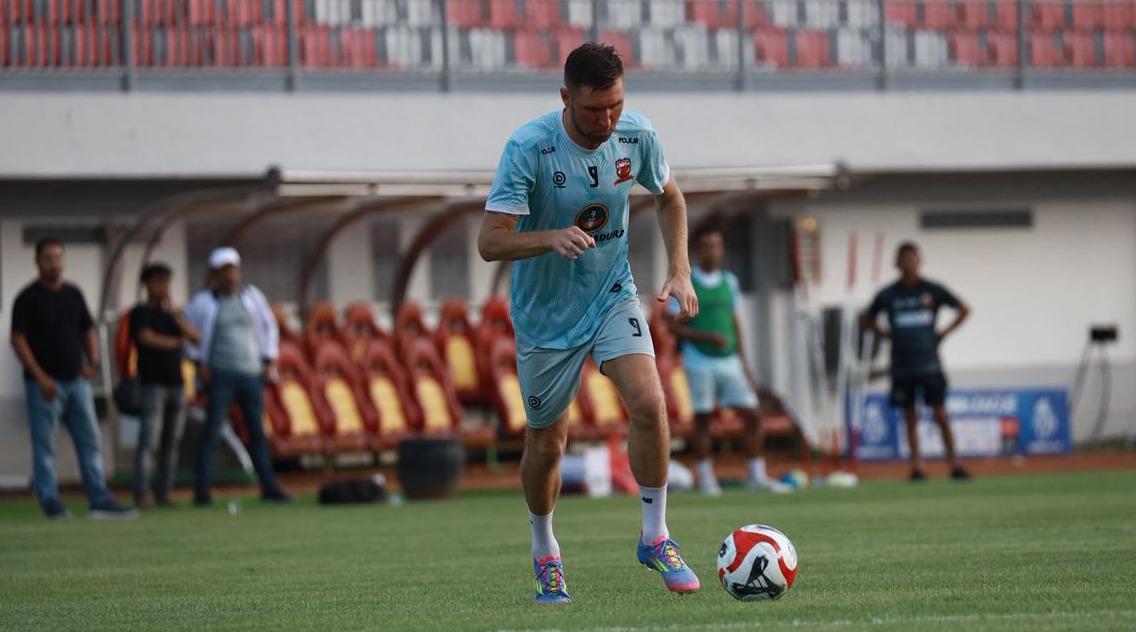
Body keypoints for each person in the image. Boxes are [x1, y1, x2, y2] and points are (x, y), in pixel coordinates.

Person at [479, 42, 700, 603]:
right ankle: (545, 550)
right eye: (593, 110)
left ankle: (656, 536)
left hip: (611, 293)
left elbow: (670, 198)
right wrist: (546, 237)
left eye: (615, 106)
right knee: (548, 444)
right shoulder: (529, 148)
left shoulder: (637, 135)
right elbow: (489, 242)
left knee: (650, 403)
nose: (607, 121)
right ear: (564, 99)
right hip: (546, 315)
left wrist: (680, 269)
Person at [11, 238, 137, 520]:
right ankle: (51, 502)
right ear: (37, 261)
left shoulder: (73, 294)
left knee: (90, 440)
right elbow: (18, 340)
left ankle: (99, 499)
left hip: (76, 382)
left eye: (58, 257)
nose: (54, 263)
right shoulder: (27, 298)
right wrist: (40, 377)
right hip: (43, 385)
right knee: (45, 446)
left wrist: (92, 360)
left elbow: (87, 329)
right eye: (48, 258)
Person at [665, 225, 790, 496]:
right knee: (703, 419)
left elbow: (736, 323)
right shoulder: (686, 281)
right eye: (707, 245)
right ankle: (707, 479)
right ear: (697, 250)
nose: (713, 251)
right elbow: (671, 324)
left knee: (753, 416)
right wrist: (705, 335)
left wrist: (745, 363)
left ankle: (756, 475)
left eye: (717, 245)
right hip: (699, 360)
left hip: (729, 360)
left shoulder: (729, 282)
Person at [185, 247, 290, 506]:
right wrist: (199, 363)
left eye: (234, 271)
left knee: (256, 431)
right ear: (214, 275)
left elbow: (268, 328)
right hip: (221, 375)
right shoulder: (203, 303)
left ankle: (268, 486)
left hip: (251, 373)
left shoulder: (252, 297)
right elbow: (188, 336)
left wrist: (268, 359)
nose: (231, 277)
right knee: (213, 431)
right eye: (225, 272)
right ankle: (202, 490)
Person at [862, 241, 972, 481]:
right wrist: (884, 334)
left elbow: (964, 308)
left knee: (939, 413)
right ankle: (917, 467)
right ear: (897, 263)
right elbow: (865, 318)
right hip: (902, 364)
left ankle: (955, 464)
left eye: (912, 258)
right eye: (903, 259)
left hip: (929, 363)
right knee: (909, 415)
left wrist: (943, 333)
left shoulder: (932, 289)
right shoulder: (888, 294)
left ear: (919, 260)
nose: (908, 263)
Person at [129, 263, 200, 508]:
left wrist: (176, 318)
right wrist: (174, 343)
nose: (163, 287)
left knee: (172, 442)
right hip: (152, 385)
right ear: (146, 284)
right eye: (158, 281)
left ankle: (163, 491)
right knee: (149, 441)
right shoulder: (140, 312)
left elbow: (195, 337)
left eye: (167, 282)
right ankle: (141, 490)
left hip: (177, 385)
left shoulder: (173, 315)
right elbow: (146, 338)